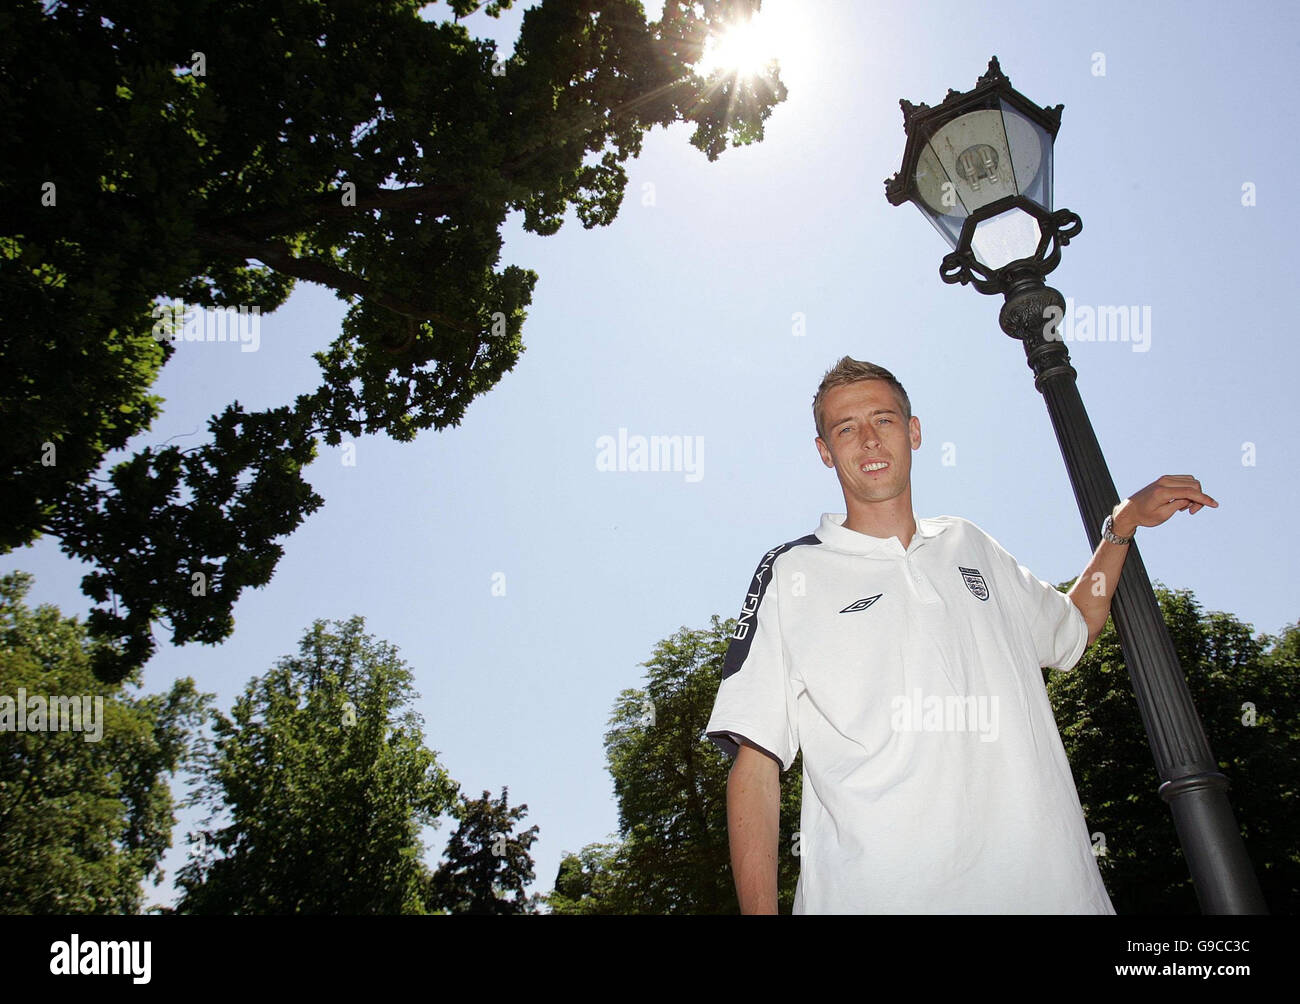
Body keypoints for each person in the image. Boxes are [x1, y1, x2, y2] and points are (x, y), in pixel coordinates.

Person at [705, 357, 1217, 914]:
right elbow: (755, 766)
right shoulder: (792, 572)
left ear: (914, 431)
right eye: (845, 429)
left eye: (884, 419)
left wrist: (1120, 527)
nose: (869, 440)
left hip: (1052, 893)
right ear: (826, 451)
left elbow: (1075, 627)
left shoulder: (970, 544)